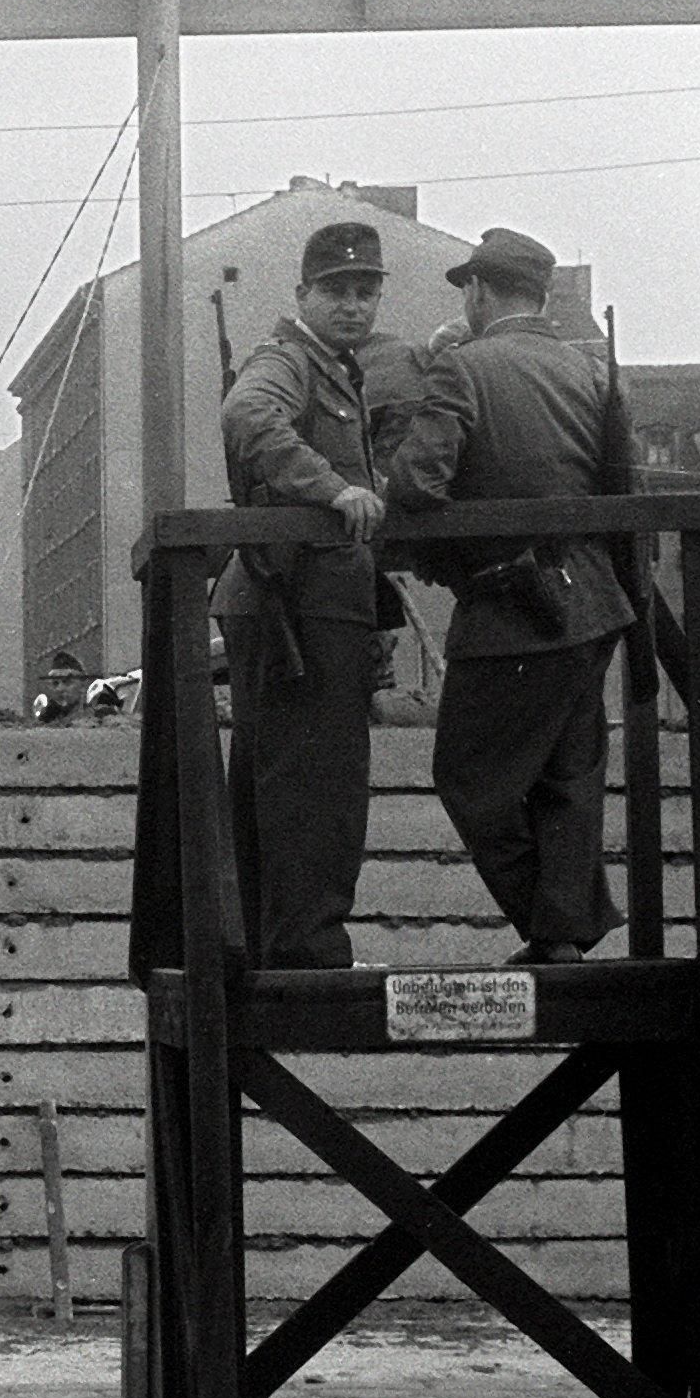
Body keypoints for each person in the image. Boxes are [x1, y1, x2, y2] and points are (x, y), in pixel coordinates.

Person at [389, 226, 634, 964]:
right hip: (593, 600)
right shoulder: (590, 373)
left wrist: (445, 562)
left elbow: (413, 485)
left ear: (476, 291)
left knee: (467, 780)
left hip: (510, 607)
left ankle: (555, 924)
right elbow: (619, 485)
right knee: (566, 776)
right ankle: (560, 935)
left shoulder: (459, 370)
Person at [214, 221, 408, 968]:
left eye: (366, 291)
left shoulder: (333, 367)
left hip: (302, 598)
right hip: (294, 598)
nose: (354, 306)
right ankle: (307, 948)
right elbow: (245, 415)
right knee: (317, 782)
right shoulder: (287, 359)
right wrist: (333, 489)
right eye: (336, 291)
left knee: (283, 777)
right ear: (302, 295)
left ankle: (275, 942)